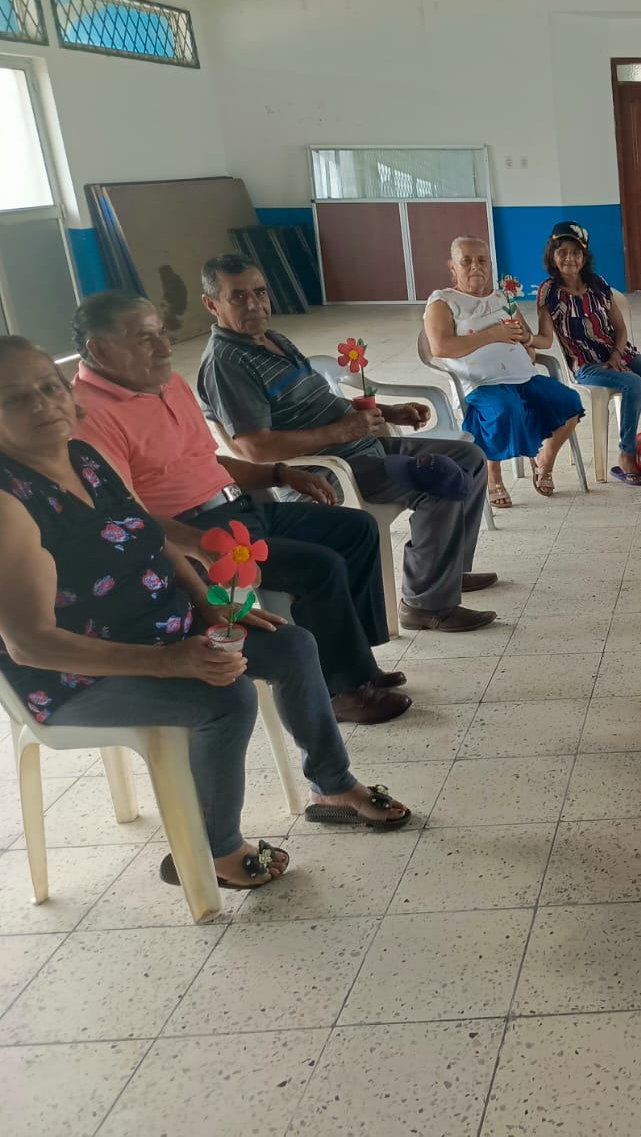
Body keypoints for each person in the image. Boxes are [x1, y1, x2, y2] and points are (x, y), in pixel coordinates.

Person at [0, 338, 410, 892]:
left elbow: (150, 535)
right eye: (15, 398)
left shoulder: (84, 458)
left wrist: (209, 605)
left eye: (49, 387)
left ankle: (332, 785)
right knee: (225, 697)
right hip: (77, 675)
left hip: (163, 630)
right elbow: (30, 644)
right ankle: (212, 849)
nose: (42, 403)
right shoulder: (9, 504)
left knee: (292, 645)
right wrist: (170, 662)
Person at [70, 290, 411, 724]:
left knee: (356, 529)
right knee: (318, 565)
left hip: (237, 508)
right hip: (192, 534)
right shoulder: (88, 416)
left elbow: (206, 459)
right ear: (100, 350)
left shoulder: (167, 384)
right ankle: (341, 690)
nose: (164, 347)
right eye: (144, 339)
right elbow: (122, 516)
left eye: (162, 333)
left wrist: (279, 474)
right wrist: (198, 543)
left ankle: (358, 663)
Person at [194, 253, 497, 634]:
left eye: (260, 292)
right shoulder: (228, 363)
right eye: (238, 297)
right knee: (439, 478)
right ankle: (426, 604)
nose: (254, 304)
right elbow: (255, 449)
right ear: (212, 304)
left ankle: (448, 572)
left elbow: (321, 404)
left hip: (359, 448)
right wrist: (340, 433)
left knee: (468, 456)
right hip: (325, 470)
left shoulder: (272, 339)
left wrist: (388, 412)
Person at [423, 235, 585, 504]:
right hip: (480, 384)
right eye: (466, 261)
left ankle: (544, 460)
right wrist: (493, 335)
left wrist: (526, 343)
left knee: (569, 402)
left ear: (490, 265)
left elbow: (525, 334)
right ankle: (493, 477)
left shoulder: (503, 298)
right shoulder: (443, 301)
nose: (475, 266)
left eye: (482, 261)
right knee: (504, 410)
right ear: (452, 266)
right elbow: (440, 347)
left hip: (524, 377)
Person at [535, 222, 641, 486]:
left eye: (576, 253)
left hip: (619, 353)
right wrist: (525, 339)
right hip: (586, 364)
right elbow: (545, 338)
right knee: (633, 383)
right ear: (552, 256)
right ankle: (626, 455)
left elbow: (620, 328)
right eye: (562, 252)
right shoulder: (549, 292)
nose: (569, 258)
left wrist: (616, 355)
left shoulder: (598, 284)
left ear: (584, 257)